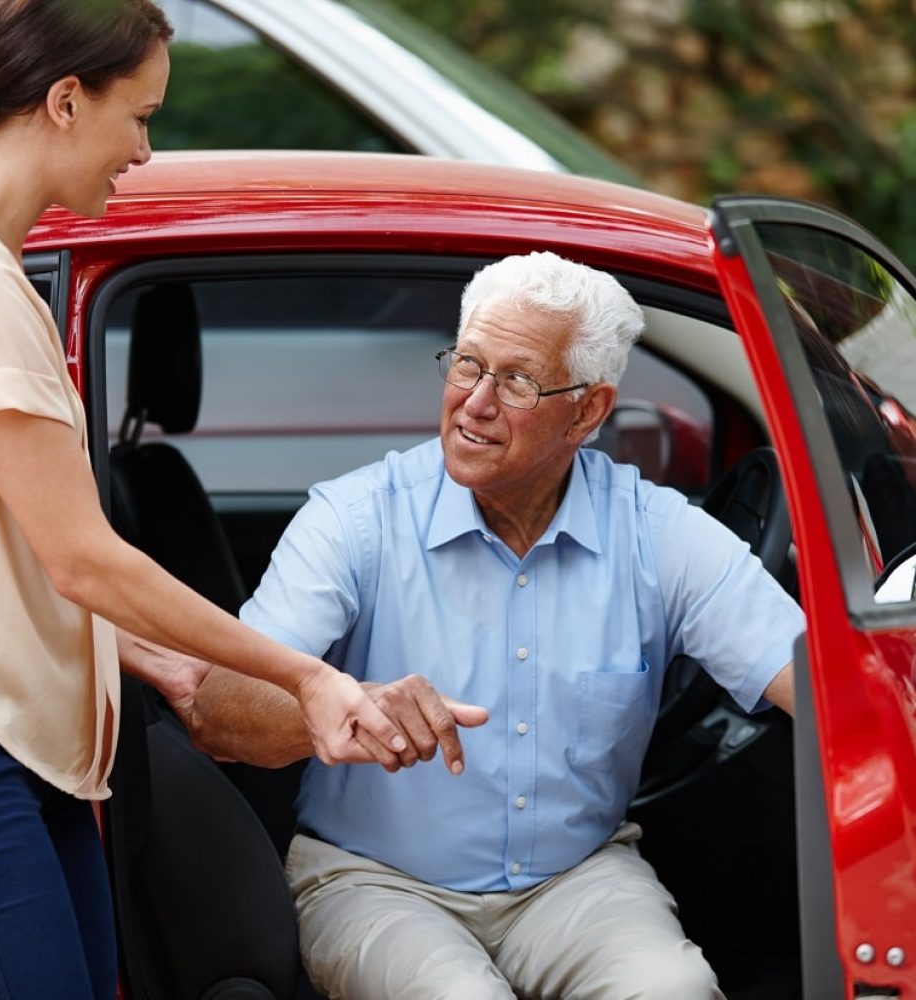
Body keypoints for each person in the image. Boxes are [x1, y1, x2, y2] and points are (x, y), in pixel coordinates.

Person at [0, 3, 407, 997]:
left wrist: (160, 662)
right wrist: (304, 675)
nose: (143, 151)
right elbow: (80, 558)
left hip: (17, 753)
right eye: (139, 117)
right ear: (65, 101)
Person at [188, 251, 803, 1000]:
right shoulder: (354, 519)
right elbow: (218, 712)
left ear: (589, 411)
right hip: (375, 881)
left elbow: (827, 685)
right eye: (467, 364)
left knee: (674, 988)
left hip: (576, 879)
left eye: (515, 380)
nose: (474, 402)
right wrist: (346, 706)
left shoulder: (659, 532)